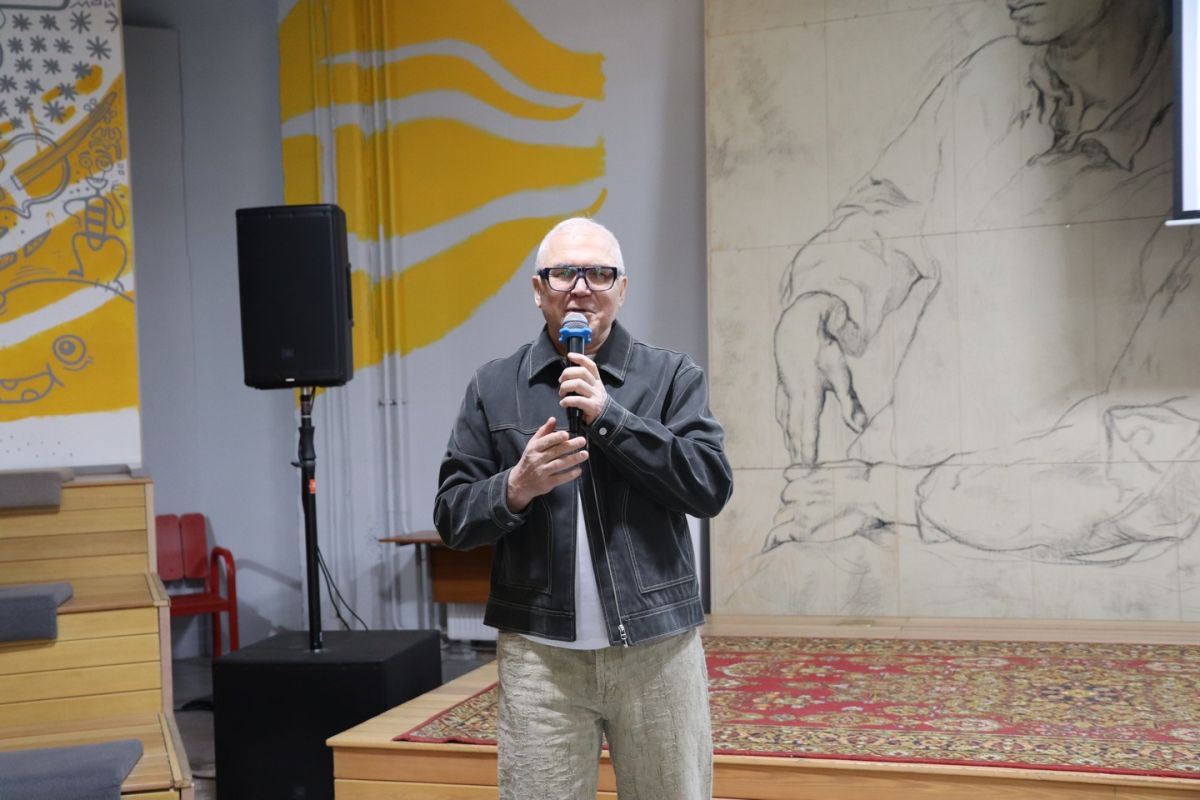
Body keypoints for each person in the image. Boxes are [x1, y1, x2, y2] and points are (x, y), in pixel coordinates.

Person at [764, 0, 1188, 562]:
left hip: (1058, 565)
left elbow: (1163, 457)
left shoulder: (1182, 144)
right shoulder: (986, 85)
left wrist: (890, 492)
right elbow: (890, 205)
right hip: (871, 508)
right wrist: (819, 300)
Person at [434, 217, 733, 799]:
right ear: (537, 289)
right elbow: (452, 516)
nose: (580, 288)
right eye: (564, 273)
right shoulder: (494, 385)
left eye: (599, 273)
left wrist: (612, 418)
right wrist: (515, 487)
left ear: (622, 288)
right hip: (540, 659)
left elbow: (709, 487)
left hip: (657, 650)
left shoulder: (671, 376)